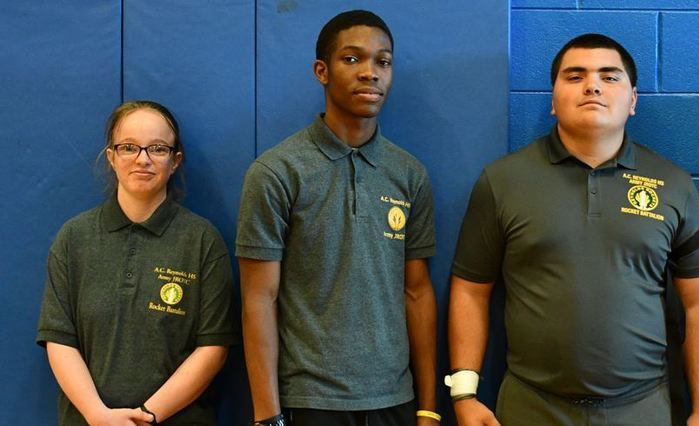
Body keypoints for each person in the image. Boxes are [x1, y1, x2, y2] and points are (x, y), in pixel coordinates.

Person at [448, 33, 699, 426]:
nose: (592, 84)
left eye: (610, 77)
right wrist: (464, 394)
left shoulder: (675, 185)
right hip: (532, 404)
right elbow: (471, 290)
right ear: (553, 101)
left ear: (633, 101)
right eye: (575, 76)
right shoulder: (502, 182)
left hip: (642, 406)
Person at [236, 10, 439, 426]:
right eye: (352, 59)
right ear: (321, 71)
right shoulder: (277, 171)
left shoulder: (409, 174)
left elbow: (417, 292)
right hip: (311, 402)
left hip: (394, 400)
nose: (370, 73)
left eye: (382, 62)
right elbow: (259, 298)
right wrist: (267, 417)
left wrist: (429, 407)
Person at [36, 100, 239, 425]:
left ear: (175, 161)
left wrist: (145, 417)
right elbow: (59, 339)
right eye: (129, 147)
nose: (143, 159)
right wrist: (97, 414)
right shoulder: (74, 238)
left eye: (157, 149)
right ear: (112, 157)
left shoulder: (202, 240)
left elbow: (213, 347)